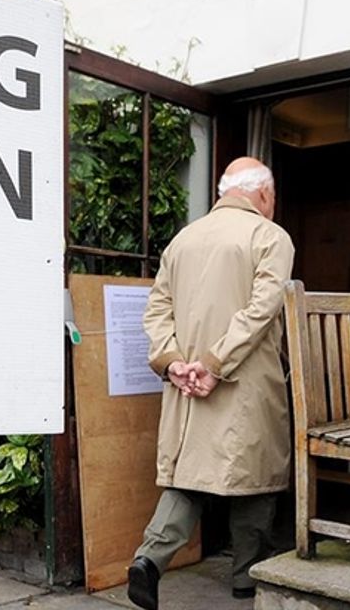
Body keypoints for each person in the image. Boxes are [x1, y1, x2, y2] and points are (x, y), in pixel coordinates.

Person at [127, 157, 295, 609]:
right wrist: (214, 363)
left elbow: (156, 309)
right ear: (263, 194)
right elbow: (261, 310)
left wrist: (174, 362)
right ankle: (246, 579)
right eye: (273, 197)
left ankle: (149, 560)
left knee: (189, 477)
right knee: (255, 479)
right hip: (244, 382)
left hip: (185, 384)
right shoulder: (270, 236)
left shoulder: (183, 239)